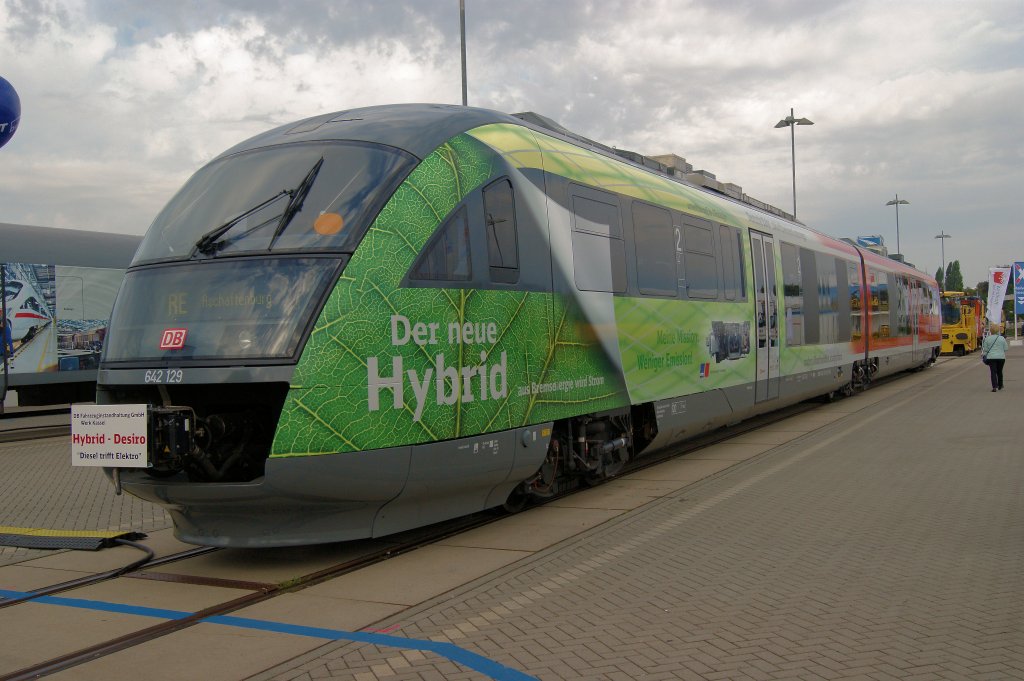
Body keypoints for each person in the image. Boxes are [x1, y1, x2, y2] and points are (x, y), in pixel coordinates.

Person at [981, 323, 1008, 392]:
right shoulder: (1002, 338)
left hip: (991, 357)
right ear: (998, 330)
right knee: (999, 371)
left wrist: (984, 355)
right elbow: (1006, 348)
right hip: (1001, 358)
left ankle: (994, 387)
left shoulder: (987, 339)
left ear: (991, 330)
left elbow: (985, 349)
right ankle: (1000, 385)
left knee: (993, 372)